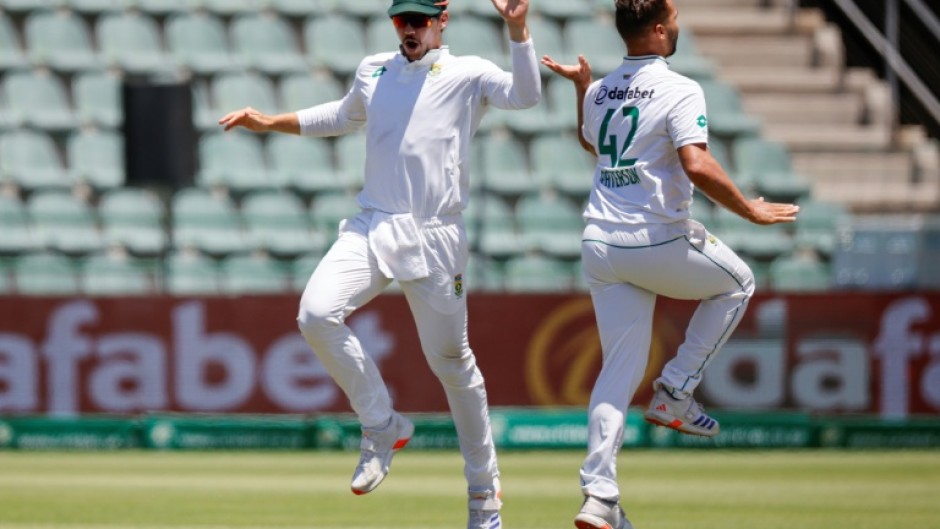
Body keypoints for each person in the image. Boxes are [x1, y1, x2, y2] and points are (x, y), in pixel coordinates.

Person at [219, 0, 539, 527]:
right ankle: (382, 425)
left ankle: (483, 494)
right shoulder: (374, 68)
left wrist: (517, 28)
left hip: (436, 234)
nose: (409, 30)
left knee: (452, 365)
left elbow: (525, 96)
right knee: (316, 314)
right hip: (373, 224)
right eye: (400, 21)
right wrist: (269, 121)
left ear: (442, 22)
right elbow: (343, 116)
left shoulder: (469, 73)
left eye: (418, 21)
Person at [541, 1, 799, 528]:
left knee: (618, 371)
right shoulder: (680, 87)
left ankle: (599, 495)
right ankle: (676, 390)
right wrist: (749, 208)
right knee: (739, 284)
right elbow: (696, 163)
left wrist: (581, 89)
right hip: (654, 239)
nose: (679, 25)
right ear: (659, 30)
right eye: (675, 19)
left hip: (600, 246)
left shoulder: (605, 88)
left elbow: (593, 143)